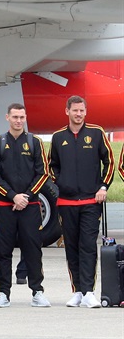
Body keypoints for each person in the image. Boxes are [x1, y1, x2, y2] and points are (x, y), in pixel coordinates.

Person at [49, 95, 114, 308]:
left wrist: (103, 186)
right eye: (75, 110)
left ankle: (88, 291)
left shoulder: (96, 133)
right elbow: (52, 165)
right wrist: (60, 183)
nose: (79, 114)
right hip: (66, 203)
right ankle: (76, 290)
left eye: (82, 111)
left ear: (86, 112)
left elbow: (109, 162)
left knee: (88, 246)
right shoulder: (58, 137)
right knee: (72, 248)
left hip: (90, 201)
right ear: (66, 111)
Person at [0, 103, 51, 308]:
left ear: (25, 118)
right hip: (6, 207)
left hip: (31, 206)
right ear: (7, 117)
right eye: (15, 117)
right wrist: (13, 196)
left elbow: (43, 174)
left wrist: (27, 196)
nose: (18, 121)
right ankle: (3, 293)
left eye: (22, 117)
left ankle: (37, 291)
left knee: (33, 249)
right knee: (3, 251)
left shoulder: (35, 143)